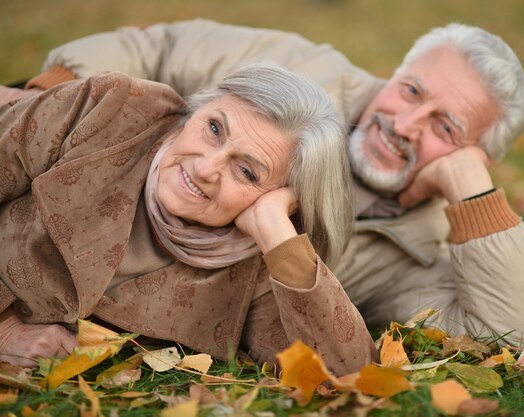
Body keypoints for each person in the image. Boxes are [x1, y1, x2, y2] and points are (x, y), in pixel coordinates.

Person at [14, 19, 524, 350]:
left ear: (477, 156)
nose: (405, 125)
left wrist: (474, 195)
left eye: (446, 127)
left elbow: (519, 334)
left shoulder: (416, 256)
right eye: (412, 91)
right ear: (395, 75)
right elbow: (162, 46)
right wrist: (44, 99)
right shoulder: (304, 66)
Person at [0, 63, 378, 374]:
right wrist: (4, 330)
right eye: (214, 129)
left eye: (247, 172)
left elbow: (348, 375)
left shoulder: (257, 269)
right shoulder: (109, 107)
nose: (205, 168)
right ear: (196, 109)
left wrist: (276, 231)